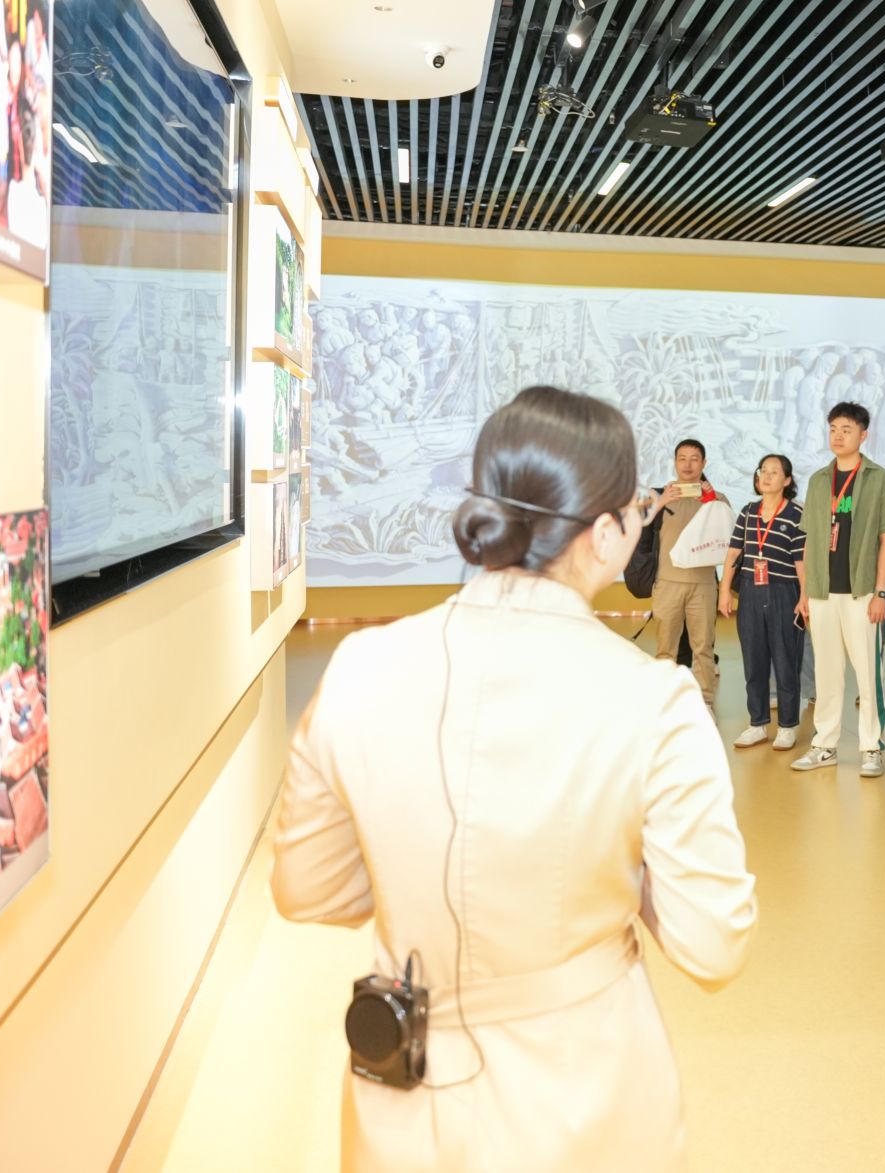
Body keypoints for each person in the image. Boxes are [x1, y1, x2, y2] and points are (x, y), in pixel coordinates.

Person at [271, 386, 756, 1168]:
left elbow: (308, 889)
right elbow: (713, 943)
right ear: (607, 533)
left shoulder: (361, 664)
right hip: (583, 1098)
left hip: (402, 1093)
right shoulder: (654, 699)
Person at [792, 402, 885, 777]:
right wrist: (805, 592)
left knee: (868, 674)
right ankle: (825, 745)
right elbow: (810, 540)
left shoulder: (879, 479)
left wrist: (882, 592)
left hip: (862, 592)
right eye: (833, 429)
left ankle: (871, 747)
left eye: (847, 429)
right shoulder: (818, 481)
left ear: (863, 435)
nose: (838, 436)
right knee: (827, 672)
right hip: (822, 591)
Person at [719, 455, 807, 751]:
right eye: (763, 471)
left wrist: (804, 596)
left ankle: (787, 726)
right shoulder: (748, 511)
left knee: (785, 662)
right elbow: (733, 553)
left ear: (787, 480)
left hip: (784, 593)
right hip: (750, 592)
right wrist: (724, 591)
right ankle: (757, 723)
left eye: (774, 472)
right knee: (753, 661)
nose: (766, 476)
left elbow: (801, 560)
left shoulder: (796, 514)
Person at [651, 438, 724, 709]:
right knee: (665, 649)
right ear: (675, 462)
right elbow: (636, 524)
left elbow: (728, 532)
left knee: (703, 648)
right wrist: (660, 503)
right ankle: (666, 702)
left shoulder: (716, 499)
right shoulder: (659, 495)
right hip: (667, 582)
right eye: (682, 458)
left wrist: (712, 500)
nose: (688, 464)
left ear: (704, 463)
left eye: (695, 459)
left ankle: (705, 703)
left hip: (703, 584)